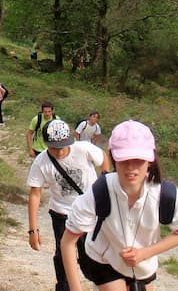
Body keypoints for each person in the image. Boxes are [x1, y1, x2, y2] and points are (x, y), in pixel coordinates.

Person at [60, 120, 178, 291]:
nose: (131, 167)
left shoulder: (167, 196)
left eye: (138, 160)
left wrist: (144, 253)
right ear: (113, 157)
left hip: (143, 265)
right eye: (124, 160)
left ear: (150, 159)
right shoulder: (99, 192)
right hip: (103, 259)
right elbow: (68, 242)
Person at [27, 120, 109, 291]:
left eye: (62, 147)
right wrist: (33, 230)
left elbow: (103, 159)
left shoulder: (83, 149)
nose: (59, 152)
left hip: (89, 212)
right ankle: (64, 287)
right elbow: (35, 194)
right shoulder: (41, 162)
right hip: (61, 214)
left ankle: (100, 284)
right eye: (54, 148)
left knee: (91, 255)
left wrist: (104, 181)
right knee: (62, 256)